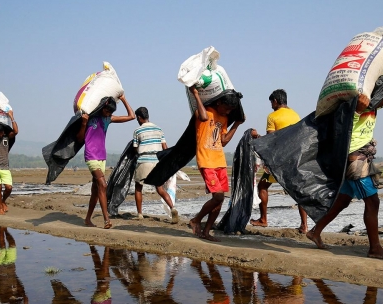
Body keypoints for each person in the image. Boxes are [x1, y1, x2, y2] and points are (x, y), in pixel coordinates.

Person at [307, 75, 383, 260]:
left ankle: (315, 231)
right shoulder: (355, 108)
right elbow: (342, 129)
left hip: (361, 158)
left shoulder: (376, 104)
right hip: (355, 161)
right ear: (381, 93)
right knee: (373, 202)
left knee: (343, 200)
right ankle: (375, 248)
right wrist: (358, 109)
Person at [188, 88, 244, 241]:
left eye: (230, 110)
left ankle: (206, 232)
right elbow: (204, 117)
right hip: (206, 160)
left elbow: (224, 141)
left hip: (219, 161)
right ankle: (196, 220)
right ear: (219, 102)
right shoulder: (204, 112)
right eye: (226, 108)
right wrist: (196, 95)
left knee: (219, 199)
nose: (227, 112)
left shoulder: (224, 118)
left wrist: (237, 124)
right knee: (218, 196)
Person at [250, 89, 309, 233]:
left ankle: (263, 219)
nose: (271, 105)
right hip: (295, 158)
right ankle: (305, 225)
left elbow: (272, 140)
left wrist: (258, 139)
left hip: (280, 160)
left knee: (263, 186)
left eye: (271, 102)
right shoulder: (296, 115)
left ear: (275, 101)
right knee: (298, 191)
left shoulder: (273, 116)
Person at [76, 95, 135, 229]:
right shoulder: (89, 118)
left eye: (110, 112)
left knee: (96, 190)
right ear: (102, 107)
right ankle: (106, 219)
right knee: (103, 185)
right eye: (107, 110)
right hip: (91, 156)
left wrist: (124, 99)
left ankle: (87, 219)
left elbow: (131, 116)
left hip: (102, 157)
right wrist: (84, 123)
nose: (108, 113)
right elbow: (79, 139)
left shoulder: (108, 119)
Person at [131, 107, 177, 221]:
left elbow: (135, 149)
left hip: (144, 161)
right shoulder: (158, 129)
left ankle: (140, 214)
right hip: (156, 161)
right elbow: (165, 147)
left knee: (138, 187)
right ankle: (173, 208)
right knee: (160, 188)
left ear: (139, 118)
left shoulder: (138, 131)